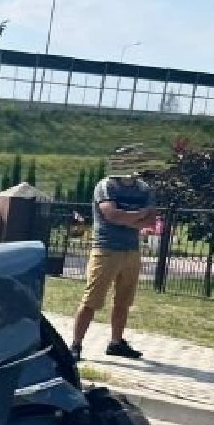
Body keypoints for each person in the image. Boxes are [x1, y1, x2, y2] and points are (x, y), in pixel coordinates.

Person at [70, 145, 161, 361]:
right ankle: (76, 345)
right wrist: (137, 216)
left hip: (132, 251)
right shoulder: (106, 186)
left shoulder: (144, 189)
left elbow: (151, 221)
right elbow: (111, 215)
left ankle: (116, 342)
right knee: (91, 300)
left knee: (124, 301)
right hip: (106, 250)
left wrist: (128, 217)